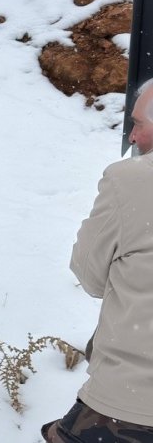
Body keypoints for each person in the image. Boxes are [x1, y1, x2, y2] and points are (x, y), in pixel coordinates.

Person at [43, 80, 153, 442]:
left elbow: (89, 277)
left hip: (132, 403)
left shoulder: (131, 181)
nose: (133, 137)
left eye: (138, 123)